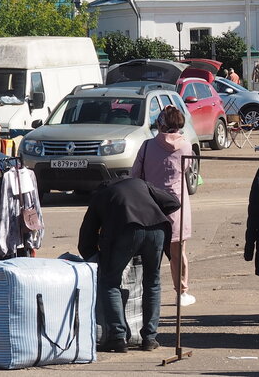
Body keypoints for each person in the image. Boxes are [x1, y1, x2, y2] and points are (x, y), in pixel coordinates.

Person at [78, 176, 180, 353]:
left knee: (109, 283)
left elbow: (86, 236)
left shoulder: (101, 194)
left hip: (125, 231)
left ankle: (118, 338)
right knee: (152, 283)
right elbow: (173, 202)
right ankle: (149, 338)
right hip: (157, 229)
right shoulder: (140, 183)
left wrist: (96, 260)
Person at [132, 106, 194, 307]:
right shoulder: (186, 146)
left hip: (151, 204)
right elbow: (187, 169)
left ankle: (147, 292)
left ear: (160, 123)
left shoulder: (147, 145)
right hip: (177, 204)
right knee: (178, 251)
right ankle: (182, 292)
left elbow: (135, 175)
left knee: (151, 251)